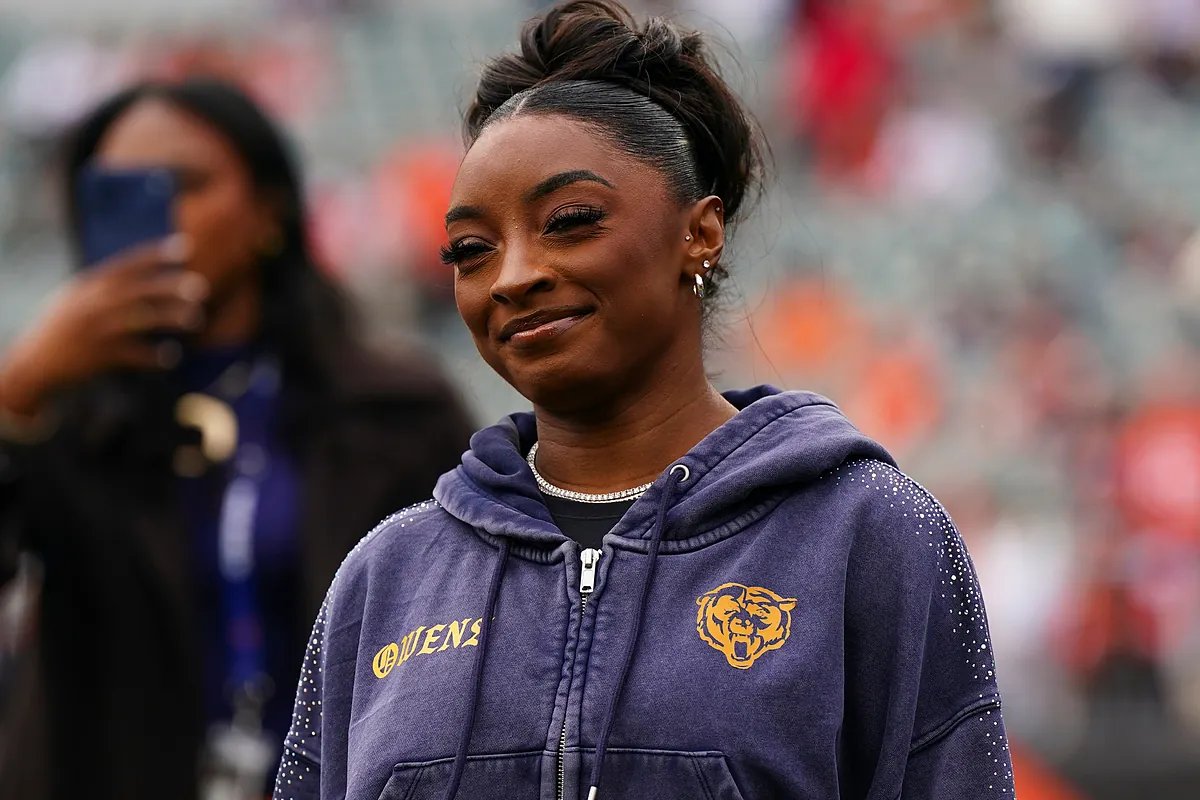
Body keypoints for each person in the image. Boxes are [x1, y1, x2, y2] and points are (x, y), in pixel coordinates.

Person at [274, 2, 1016, 799]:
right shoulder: (387, 576)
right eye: (471, 250)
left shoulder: (866, 536)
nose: (514, 275)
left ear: (700, 233)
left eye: (571, 221)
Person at [0, 77, 473, 800]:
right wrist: (18, 390)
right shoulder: (58, 416)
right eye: (117, 194)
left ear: (269, 211)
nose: (158, 219)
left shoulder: (393, 411)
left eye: (185, 183)